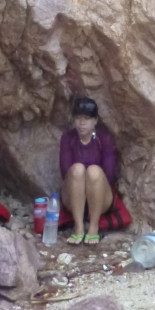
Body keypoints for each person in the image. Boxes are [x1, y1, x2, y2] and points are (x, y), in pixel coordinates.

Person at [59, 95, 118, 245]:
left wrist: (90, 179)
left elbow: (109, 174)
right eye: (78, 118)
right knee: (77, 169)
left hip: (99, 197)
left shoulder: (103, 139)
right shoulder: (68, 138)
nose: (82, 123)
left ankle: (93, 227)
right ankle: (78, 227)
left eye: (87, 118)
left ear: (95, 121)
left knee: (94, 171)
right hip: (74, 196)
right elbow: (65, 171)